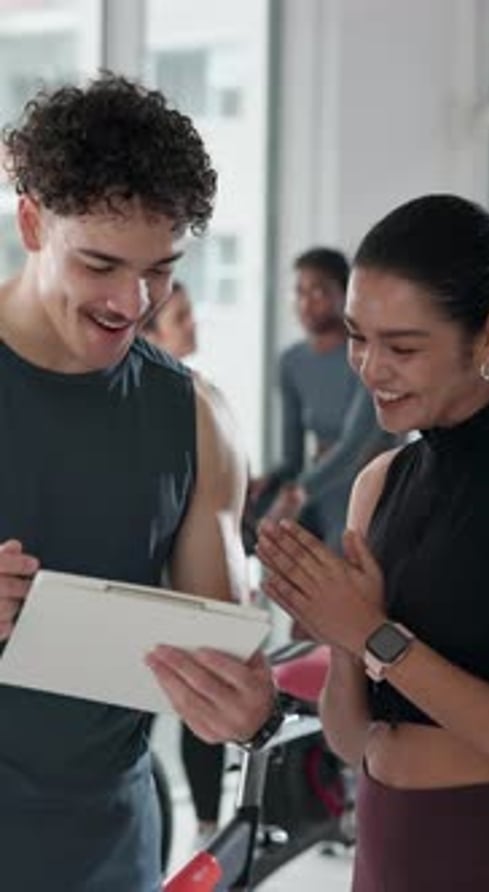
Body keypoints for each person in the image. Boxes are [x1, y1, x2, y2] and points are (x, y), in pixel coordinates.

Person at [0, 72, 274, 892]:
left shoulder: (196, 419)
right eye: (101, 264)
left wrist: (247, 709)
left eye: (163, 270)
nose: (135, 301)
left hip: (106, 847)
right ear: (32, 223)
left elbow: (219, 657)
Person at [255, 194, 489, 889]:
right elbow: (350, 739)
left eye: (403, 347)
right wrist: (341, 636)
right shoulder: (380, 481)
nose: (368, 368)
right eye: (359, 335)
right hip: (388, 840)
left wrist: (374, 636)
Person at [143, 279, 225, 849]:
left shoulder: (202, 404)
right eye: (182, 316)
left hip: (194, 599)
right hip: (148, 603)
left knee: (205, 703)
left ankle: (207, 827)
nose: (193, 325)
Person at [249, 247, 392, 547]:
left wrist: (298, 491)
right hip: (318, 485)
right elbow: (292, 458)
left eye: (319, 291)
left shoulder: (367, 354)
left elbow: (356, 445)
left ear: (345, 295)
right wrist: (270, 482)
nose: (306, 302)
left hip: (366, 484)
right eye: (299, 292)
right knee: (260, 528)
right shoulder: (291, 361)